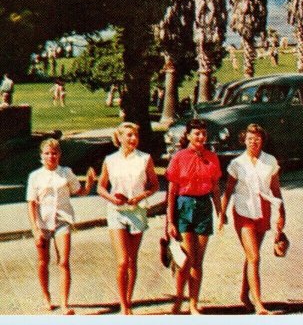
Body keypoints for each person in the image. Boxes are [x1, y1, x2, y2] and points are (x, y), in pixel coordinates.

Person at [218, 124, 286, 314]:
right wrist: (222, 214)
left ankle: (244, 295)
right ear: (244, 140)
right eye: (249, 139)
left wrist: (282, 213)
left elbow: (276, 189)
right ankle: (259, 304)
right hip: (243, 211)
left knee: (251, 257)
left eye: (257, 139)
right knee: (254, 256)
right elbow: (228, 190)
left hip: (263, 211)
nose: (253, 142)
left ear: (262, 140)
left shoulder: (270, 161)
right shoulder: (237, 163)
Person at [26, 138, 96, 314]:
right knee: (43, 262)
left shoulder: (66, 173)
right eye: (47, 153)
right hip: (42, 222)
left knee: (63, 261)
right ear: (41, 156)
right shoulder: (35, 176)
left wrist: (89, 184)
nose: (51, 156)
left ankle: (64, 303)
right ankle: (46, 298)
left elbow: (80, 191)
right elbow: (31, 203)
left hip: (62, 221)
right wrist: (35, 229)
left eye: (54, 153)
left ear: (59, 155)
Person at [96, 122, 159, 315]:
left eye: (135, 136)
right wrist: (111, 198)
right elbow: (100, 187)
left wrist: (140, 196)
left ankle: (129, 299)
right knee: (122, 261)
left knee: (132, 260)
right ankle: (123, 304)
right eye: (129, 135)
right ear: (120, 138)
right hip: (116, 212)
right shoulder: (110, 160)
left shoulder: (145, 159)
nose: (133, 139)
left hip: (137, 211)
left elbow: (154, 186)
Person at [165, 119, 222, 315]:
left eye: (203, 134)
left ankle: (193, 303)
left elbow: (215, 188)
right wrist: (170, 221)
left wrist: (220, 211)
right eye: (196, 133)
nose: (201, 137)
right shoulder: (179, 157)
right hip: (184, 206)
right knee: (185, 259)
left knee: (198, 261)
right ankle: (179, 297)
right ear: (188, 135)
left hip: (204, 206)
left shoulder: (212, 158)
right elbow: (171, 192)